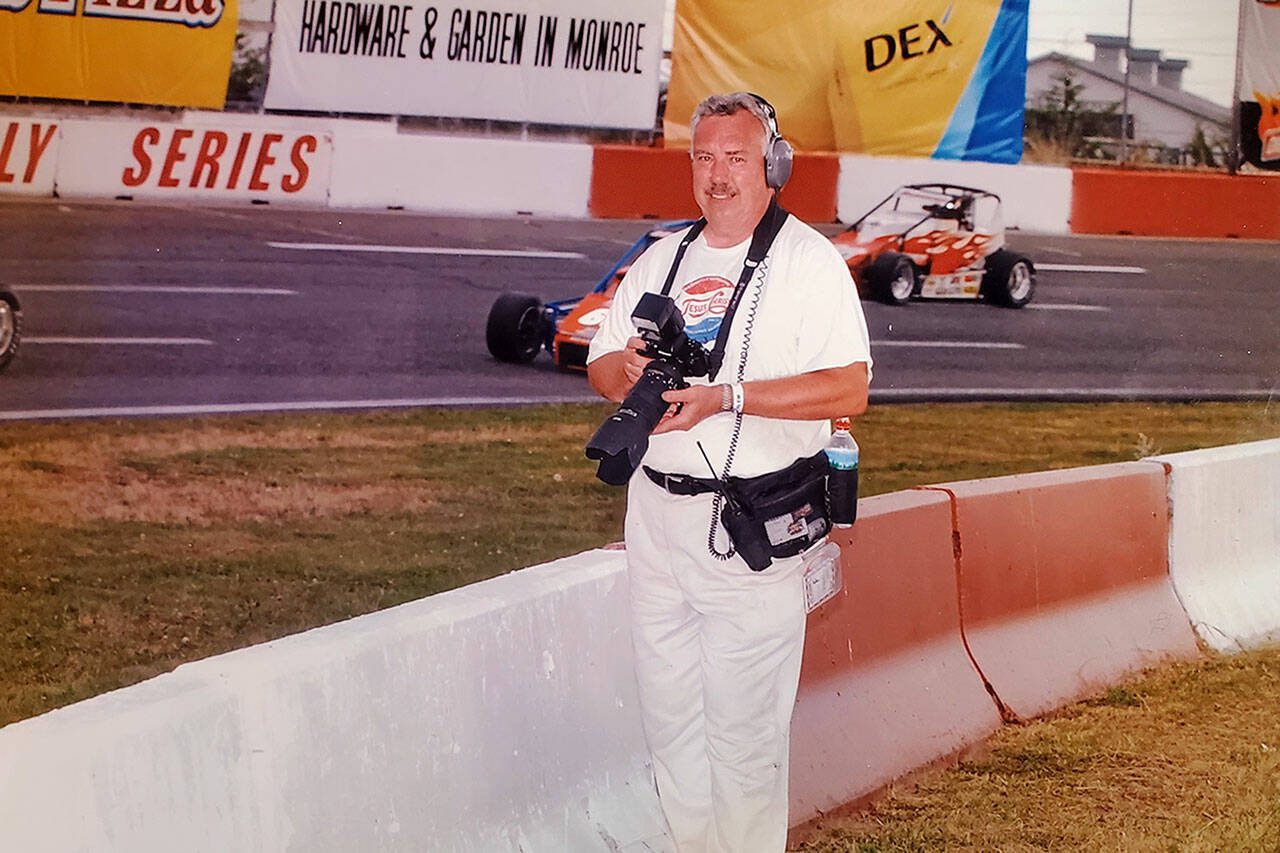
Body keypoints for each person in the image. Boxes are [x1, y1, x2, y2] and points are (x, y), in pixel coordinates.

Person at [586, 92, 872, 852]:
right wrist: (629, 373)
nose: (718, 175)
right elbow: (599, 362)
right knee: (672, 732)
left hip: (750, 535)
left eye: (736, 157)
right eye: (704, 157)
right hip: (656, 527)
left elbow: (850, 386)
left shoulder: (809, 263)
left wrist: (726, 399)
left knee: (743, 748)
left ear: (772, 166)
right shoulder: (664, 255)